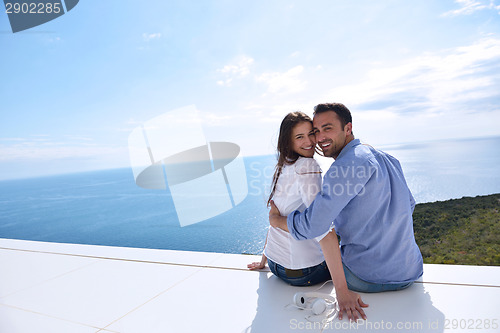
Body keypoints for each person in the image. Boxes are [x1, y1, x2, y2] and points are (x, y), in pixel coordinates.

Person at [269, 103, 423, 321]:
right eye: (316, 131)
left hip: (365, 278)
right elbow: (409, 204)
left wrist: (277, 220)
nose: (320, 138)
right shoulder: (388, 158)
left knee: (318, 257)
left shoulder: (344, 167)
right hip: (410, 271)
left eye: (328, 128)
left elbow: (315, 226)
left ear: (347, 128)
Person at [247, 111, 332, 286]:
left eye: (311, 134)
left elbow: (275, 216)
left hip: (276, 265)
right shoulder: (307, 165)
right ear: (288, 141)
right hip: (305, 271)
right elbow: (319, 224)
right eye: (300, 137)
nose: (309, 142)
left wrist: (264, 260)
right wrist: (343, 292)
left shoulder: (284, 165)